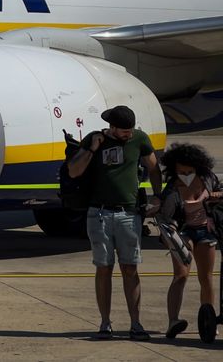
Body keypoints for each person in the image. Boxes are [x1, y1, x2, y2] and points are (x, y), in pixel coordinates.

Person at [67, 105, 162, 341]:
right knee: (104, 268)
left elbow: (154, 167)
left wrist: (158, 195)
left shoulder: (139, 139)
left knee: (130, 268)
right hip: (99, 214)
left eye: (130, 131)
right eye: (123, 131)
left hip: (129, 214)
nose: (128, 135)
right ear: (112, 127)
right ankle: (105, 323)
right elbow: (73, 171)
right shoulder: (93, 139)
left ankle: (136, 323)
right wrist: (92, 148)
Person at [151, 142, 223, 338]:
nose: (185, 174)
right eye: (181, 171)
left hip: (206, 232)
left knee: (206, 277)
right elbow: (166, 215)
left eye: (189, 170)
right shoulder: (173, 187)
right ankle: (173, 320)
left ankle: (208, 321)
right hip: (183, 232)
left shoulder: (208, 179)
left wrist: (218, 196)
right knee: (180, 275)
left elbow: (220, 196)